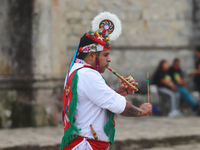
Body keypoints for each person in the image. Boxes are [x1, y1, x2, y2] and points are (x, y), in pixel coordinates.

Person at [60, 12, 152, 150]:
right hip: (87, 145)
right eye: (106, 55)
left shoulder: (76, 70)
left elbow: (93, 104)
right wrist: (143, 110)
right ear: (91, 55)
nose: (109, 60)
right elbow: (118, 106)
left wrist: (117, 93)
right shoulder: (88, 75)